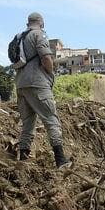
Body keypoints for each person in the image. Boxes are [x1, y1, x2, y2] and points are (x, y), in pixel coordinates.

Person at [13, 12, 70, 167]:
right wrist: (50, 73)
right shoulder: (39, 35)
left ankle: (23, 159)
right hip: (37, 83)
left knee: (28, 123)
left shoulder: (19, 37)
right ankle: (60, 160)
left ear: (28, 23)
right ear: (41, 23)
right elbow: (46, 58)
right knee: (51, 119)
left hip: (21, 84)